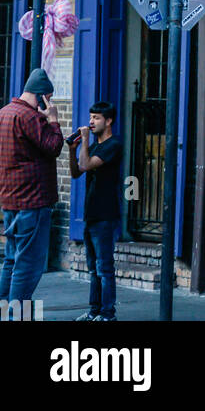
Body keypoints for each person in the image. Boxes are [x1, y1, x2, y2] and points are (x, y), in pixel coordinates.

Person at [0, 67, 64, 314]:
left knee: (11, 261)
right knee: (29, 265)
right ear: (42, 96)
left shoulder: (4, 113)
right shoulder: (30, 117)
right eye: (49, 98)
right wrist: (54, 120)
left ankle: (5, 313)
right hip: (33, 200)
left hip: (11, 199)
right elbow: (54, 146)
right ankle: (19, 317)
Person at [68, 101, 123, 323]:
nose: (91, 122)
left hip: (105, 214)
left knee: (104, 268)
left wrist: (85, 142)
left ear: (108, 121)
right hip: (91, 215)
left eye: (96, 118)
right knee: (93, 269)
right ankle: (94, 311)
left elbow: (88, 164)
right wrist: (73, 151)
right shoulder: (94, 147)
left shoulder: (113, 145)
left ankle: (108, 314)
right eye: (90, 117)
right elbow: (75, 172)